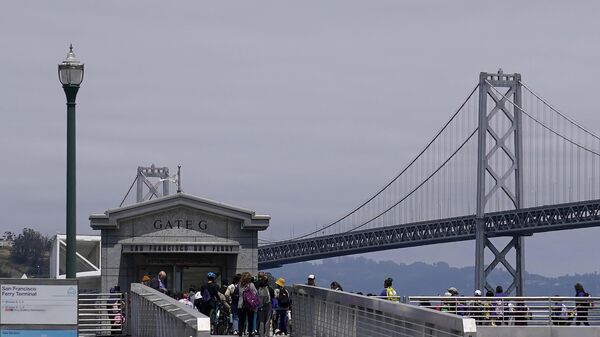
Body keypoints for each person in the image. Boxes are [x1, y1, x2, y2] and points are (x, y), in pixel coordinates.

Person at [238, 272, 258, 337]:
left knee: (241, 321)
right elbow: (255, 293)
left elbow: (239, 293)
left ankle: (240, 334)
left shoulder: (240, 285)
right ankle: (250, 334)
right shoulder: (251, 285)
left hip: (241, 305)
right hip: (250, 305)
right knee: (250, 321)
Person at [256, 272, 273, 337]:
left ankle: (261, 334)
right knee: (267, 320)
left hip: (260, 305)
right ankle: (267, 334)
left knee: (261, 320)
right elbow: (273, 295)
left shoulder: (258, 287)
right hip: (268, 305)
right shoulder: (269, 288)